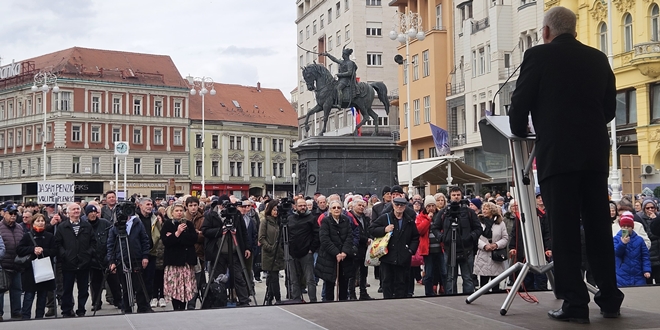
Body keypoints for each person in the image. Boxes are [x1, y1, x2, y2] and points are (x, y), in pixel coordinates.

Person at [509, 6, 624, 323]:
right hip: (594, 155)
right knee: (599, 227)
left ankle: (575, 304)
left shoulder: (538, 56)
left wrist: (522, 130)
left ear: (546, 31)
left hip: (558, 156)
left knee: (565, 230)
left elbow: (520, 105)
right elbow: (610, 109)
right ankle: (610, 299)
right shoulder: (597, 58)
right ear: (574, 30)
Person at [201, 195, 252, 307]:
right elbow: (205, 231)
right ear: (219, 205)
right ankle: (219, 301)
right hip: (217, 252)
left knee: (238, 276)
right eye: (223, 206)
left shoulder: (236, 214)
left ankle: (244, 300)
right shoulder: (211, 215)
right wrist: (220, 231)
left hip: (234, 251)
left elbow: (243, 232)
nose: (225, 208)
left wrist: (247, 247)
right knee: (218, 278)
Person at [431, 187, 482, 295]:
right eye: (454, 195)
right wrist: (442, 237)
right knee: (450, 278)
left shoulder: (469, 212)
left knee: (467, 278)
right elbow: (435, 227)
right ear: (450, 196)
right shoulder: (444, 212)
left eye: (458, 195)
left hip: (466, 250)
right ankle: (451, 299)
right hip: (449, 250)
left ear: (461, 195)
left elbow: (478, 228)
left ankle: (468, 298)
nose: (456, 197)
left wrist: (470, 237)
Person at [106, 202, 153, 314]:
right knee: (125, 287)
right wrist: (111, 261)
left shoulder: (137, 223)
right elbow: (110, 244)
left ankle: (143, 307)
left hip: (136, 258)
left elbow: (145, 240)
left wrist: (145, 256)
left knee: (140, 285)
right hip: (121, 259)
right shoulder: (115, 226)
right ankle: (126, 308)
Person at [370, 197, 420, 299]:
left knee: (402, 282)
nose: (399, 207)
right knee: (387, 281)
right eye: (397, 205)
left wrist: (410, 251)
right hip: (388, 256)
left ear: (405, 207)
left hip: (403, 257)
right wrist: (384, 229)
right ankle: (388, 302)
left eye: (401, 205)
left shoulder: (409, 221)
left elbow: (415, 237)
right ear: (393, 205)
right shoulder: (385, 218)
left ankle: (400, 302)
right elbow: (371, 229)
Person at [55, 203, 96, 317]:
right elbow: (58, 244)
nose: (76, 211)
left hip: (84, 263)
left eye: (78, 209)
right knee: (67, 288)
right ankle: (67, 310)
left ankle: (81, 309)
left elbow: (93, 242)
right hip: (68, 263)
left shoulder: (87, 226)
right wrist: (64, 254)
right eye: (73, 209)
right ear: (68, 213)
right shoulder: (62, 227)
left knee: (83, 289)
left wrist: (88, 254)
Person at [16, 214, 55, 319]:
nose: (41, 222)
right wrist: (32, 249)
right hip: (30, 269)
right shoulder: (27, 236)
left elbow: (54, 251)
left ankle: (39, 316)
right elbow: (19, 249)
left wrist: (44, 251)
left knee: (42, 295)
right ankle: (26, 316)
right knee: (29, 295)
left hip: (44, 268)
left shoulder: (49, 236)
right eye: (38, 221)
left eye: (42, 221)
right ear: (33, 223)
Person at [315, 200, 355, 301]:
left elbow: (349, 237)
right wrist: (336, 253)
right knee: (329, 284)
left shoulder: (346, 220)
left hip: (344, 257)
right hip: (329, 257)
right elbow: (324, 239)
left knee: (343, 283)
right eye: (334, 208)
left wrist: (344, 252)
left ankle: (343, 302)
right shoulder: (326, 221)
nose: (336, 209)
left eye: (338, 207)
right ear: (330, 210)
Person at [161, 203, 198, 311]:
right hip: (174, 261)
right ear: (172, 212)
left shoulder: (189, 224)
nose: (179, 213)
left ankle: (183, 307)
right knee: (175, 287)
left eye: (181, 211)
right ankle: (175, 307)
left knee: (185, 287)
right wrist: (177, 233)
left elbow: (193, 239)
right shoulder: (168, 224)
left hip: (186, 261)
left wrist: (177, 236)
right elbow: (166, 242)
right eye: (176, 211)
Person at [86, 204, 121, 312]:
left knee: (114, 282)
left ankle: (118, 301)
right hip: (93, 260)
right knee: (95, 283)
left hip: (107, 258)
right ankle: (96, 302)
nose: (93, 214)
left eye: (94, 212)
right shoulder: (85, 226)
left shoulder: (105, 223)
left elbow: (111, 240)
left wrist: (110, 257)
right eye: (90, 213)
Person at [286, 197, 320, 302]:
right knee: (294, 279)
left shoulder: (311, 218)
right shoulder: (289, 219)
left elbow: (317, 235)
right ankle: (296, 299)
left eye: (304, 205)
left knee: (310, 279)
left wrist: (311, 249)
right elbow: (285, 235)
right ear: (295, 207)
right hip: (292, 253)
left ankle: (313, 300)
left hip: (306, 253)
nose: (303, 207)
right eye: (300, 205)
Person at [473, 202, 509, 292]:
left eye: (487, 209)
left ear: (492, 211)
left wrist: (496, 245)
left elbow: (505, 238)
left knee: (495, 283)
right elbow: (474, 237)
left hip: (496, 255)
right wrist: (484, 246)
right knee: (483, 284)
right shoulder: (478, 222)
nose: (484, 211)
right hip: (483, 255)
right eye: (483, 209)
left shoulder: (500, 223)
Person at [613, 212, 651, 287]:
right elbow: (616, 253)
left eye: (628, 226)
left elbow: (645, 256)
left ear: (632, 227)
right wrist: (623, 243)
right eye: (624, 226)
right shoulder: (616, 239)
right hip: (621, 275)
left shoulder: (639, 240)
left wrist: (647, 270)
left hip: (638, 274)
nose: (626, 228)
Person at [0, 202, 24, 321]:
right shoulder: (0, 227)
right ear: (4, 214)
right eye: (11, 213)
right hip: (3, 265)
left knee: (17, 290)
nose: (13, 216)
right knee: (0, 290)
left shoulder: (19, 228)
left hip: (16, 264)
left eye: (15, 214)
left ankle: (16, 312)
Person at [417, 195, 444, 296]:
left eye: (433, 205)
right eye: (428, 206)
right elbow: (419, 230)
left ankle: (445, 290)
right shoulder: (421, 216)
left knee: (444, 272)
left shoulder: (441, 215)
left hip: (440, 249)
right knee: (428, 274)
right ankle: (429, 293)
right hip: (428, 250)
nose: (431, 208)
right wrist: (428, 219)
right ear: (425, 207)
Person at [259, 200, 285, 304]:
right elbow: (261, 238)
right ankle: (277, 298)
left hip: (279, 254)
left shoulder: (280, 221)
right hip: (269, 254)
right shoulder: (265, 221)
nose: (276, 212)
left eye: (277, 210)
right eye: (274, 210)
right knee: (273, 277)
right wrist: (270, 247)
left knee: (273, 276)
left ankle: (270, 296)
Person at [348, 196, 373, 300]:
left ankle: (363, 292)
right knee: (353, 273)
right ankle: (352, 294)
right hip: (354, 248)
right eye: (359, 205)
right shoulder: (349, 218)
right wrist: (365, 239)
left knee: (364, 272)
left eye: (363, 206)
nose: (361, 207)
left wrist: (370, 238)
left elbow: (369, 230)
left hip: (364, 249)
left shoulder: (365, 218)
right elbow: (352, 233)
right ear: (353, 206)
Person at [184, 196, 206, 310]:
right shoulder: (183, 218)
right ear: (186, 206)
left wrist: (195, 234)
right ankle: (188, 302)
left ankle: (194, 303)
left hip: (199, 253)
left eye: (195, 205)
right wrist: (195, 233)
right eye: (191, 205)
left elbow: (205, 235)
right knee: (188, 281)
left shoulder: (203, 218)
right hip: (186, 254)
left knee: (198, 281)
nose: (193, 208)